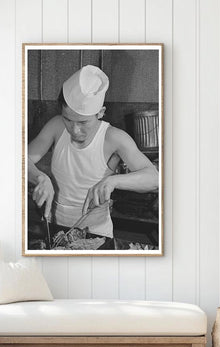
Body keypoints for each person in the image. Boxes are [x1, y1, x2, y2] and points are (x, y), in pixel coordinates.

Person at [28, 64, 158, 238]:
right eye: (68, 120)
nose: (74, 130)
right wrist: (40, 177)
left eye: (83, 123)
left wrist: (113, 182)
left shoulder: (114, 138)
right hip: (56, 230)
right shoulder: (55, 126)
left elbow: (154, 179)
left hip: (96, 235)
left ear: (100, 113)